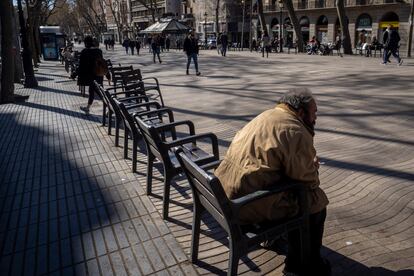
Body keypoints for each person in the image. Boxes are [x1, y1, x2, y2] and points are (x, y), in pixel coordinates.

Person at [214, 88, 330, 276]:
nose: (316, 117)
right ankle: (300, 266)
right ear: (301, 112)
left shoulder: (267, 115)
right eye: (314, 112)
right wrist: (312, 166)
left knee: (295, 191)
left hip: (227, 193)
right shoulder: (294, 130)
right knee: (315, 202)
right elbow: (308, 181)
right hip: (245, 204)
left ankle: (276, 240)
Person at [79, 36, 105, 114]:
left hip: (91, 77)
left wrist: (74, 74)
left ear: (86, 43)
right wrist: (107, 75)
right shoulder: (98, 51)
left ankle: (113, 108)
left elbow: (81, 66)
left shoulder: (84, 52)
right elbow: (102, 63)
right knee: (93, 92)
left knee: (101, 94)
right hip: (99, 75)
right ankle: (87, 108)